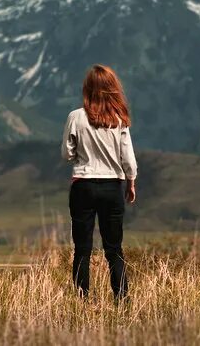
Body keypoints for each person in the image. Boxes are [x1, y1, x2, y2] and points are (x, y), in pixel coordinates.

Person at [61, 64, 138, 301]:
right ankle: (122, 300)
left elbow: (66, 153)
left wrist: (80, 157)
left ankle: (82, 301)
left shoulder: (75, 117)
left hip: (83, 184)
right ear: (112, 88)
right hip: (112, 186)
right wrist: (131, 182)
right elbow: (128, 158)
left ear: (88, 88)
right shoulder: (119, 119)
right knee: (114, 249)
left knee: (82, 250)